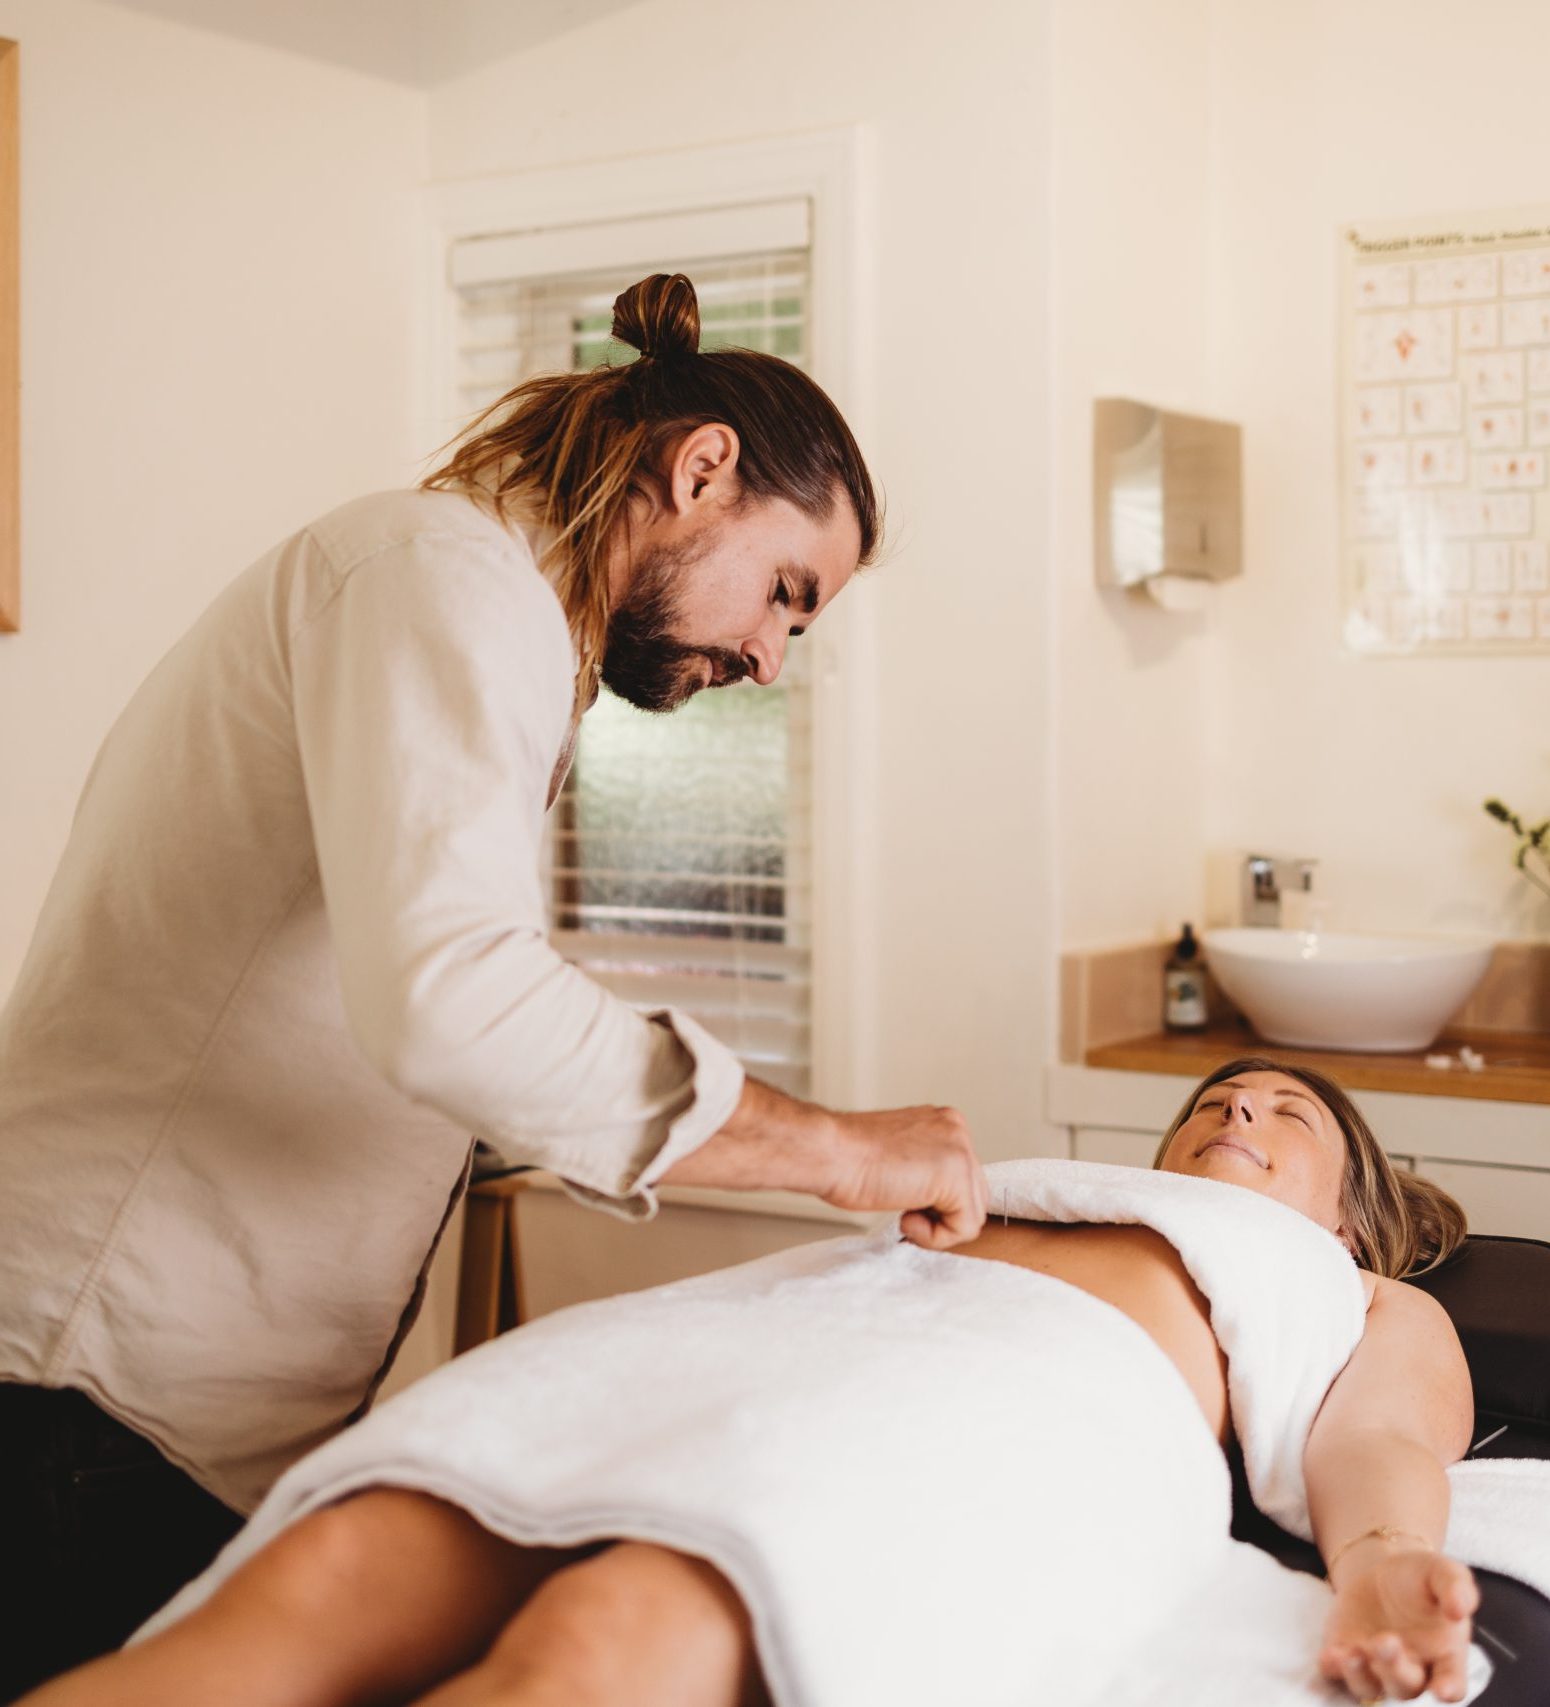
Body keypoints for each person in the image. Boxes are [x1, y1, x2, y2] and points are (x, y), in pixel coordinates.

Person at [0, 271, 988, 1699]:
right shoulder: (437, 574)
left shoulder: (486, 615)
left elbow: (407, 996)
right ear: (698, 466)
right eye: (785, 593)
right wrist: (834, 1151)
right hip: (90, 1387)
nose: (770, 657)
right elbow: (451, 998)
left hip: (164, 1415)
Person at [15, 1057, 1495, 1707]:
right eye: (1212, 1104)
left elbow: (1375, 1444)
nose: (1236, 1108)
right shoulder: (1057, 1186)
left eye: (1284, 1113)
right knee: (320, 1578)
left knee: (603, 1639)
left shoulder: (1349, 1289)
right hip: (769, 1331)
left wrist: (1381, 1565)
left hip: (1004, 1411)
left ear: (1350, 1210)